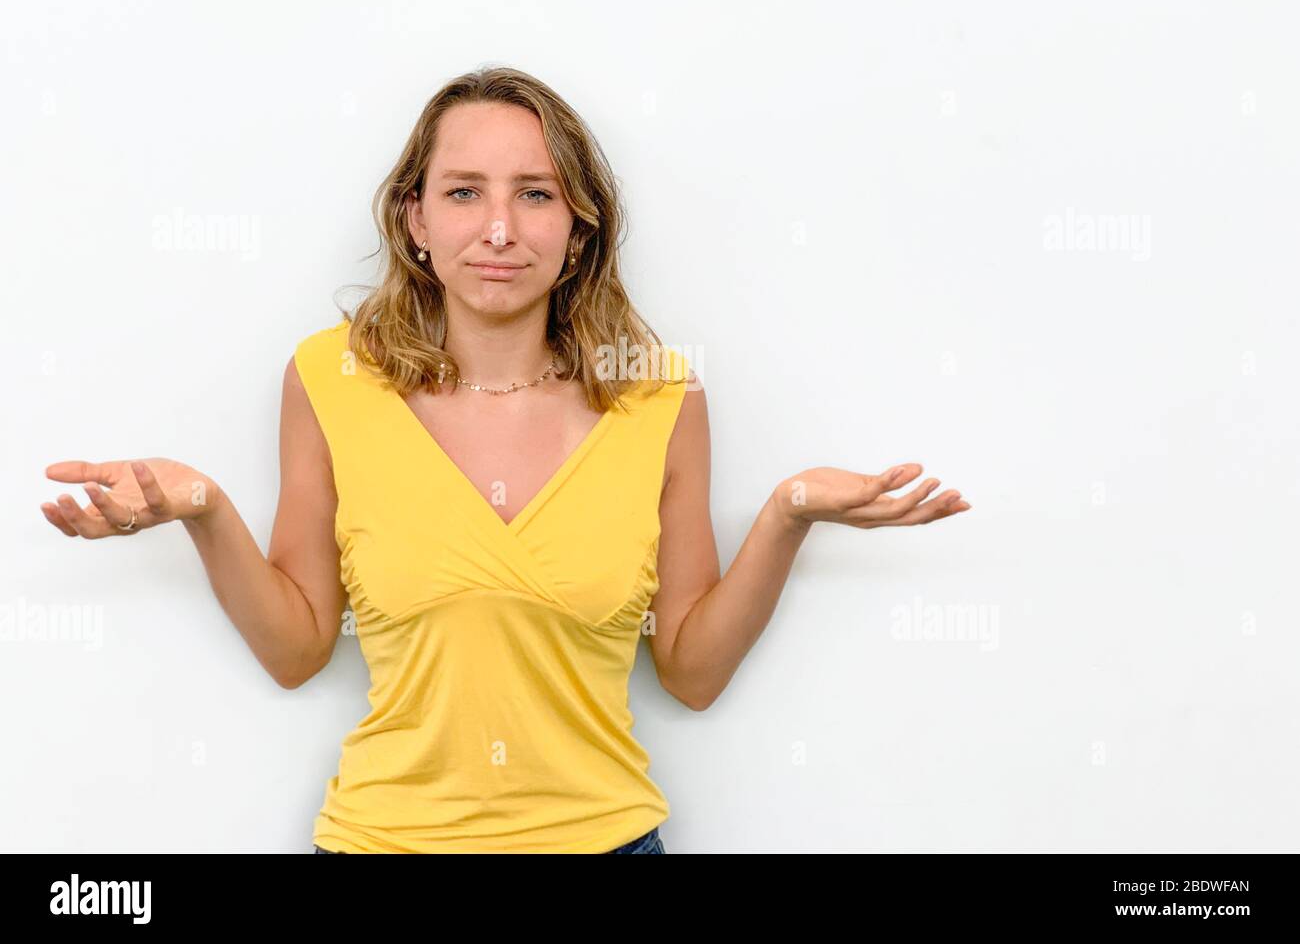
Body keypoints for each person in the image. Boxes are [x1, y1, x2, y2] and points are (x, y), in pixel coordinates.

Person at [40, 66, 970, 854]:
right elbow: (296, 650)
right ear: (415, 219)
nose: (498, 228)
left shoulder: (658, 395)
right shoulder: (332, 378)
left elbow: (690, 671)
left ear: (578, 228)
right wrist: (204, 508)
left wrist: (787, 514)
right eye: (463, 191)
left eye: (535, 193)